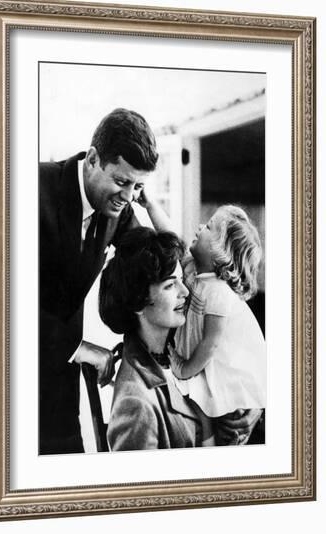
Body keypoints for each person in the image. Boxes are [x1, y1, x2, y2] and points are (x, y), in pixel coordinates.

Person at [39, 108, 158, 454]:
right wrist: (77, 347)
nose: (128, 196)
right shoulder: (27, 190)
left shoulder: (118, 210)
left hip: (60, 389)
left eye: (138, 186)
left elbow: (153, 259)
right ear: (92, 159)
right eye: (122, 181)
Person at [144, 201, 266, 445]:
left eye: (208, 226)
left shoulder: (219, 292)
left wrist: (185, 367)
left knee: (214, 405)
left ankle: (213, 446)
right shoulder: (192, 269)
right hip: (201, 360)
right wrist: (149, 205)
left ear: (219, 251)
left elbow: (210, 343)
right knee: (197, 398)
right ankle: (208, 442)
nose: (200, 226)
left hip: (221, 365)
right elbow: (169, 232)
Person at [99, 227, 201, 450]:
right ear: (138, 301)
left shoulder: (183, 348)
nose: (184, 291)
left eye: (181, 280)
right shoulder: (134, 403)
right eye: (169, 285)